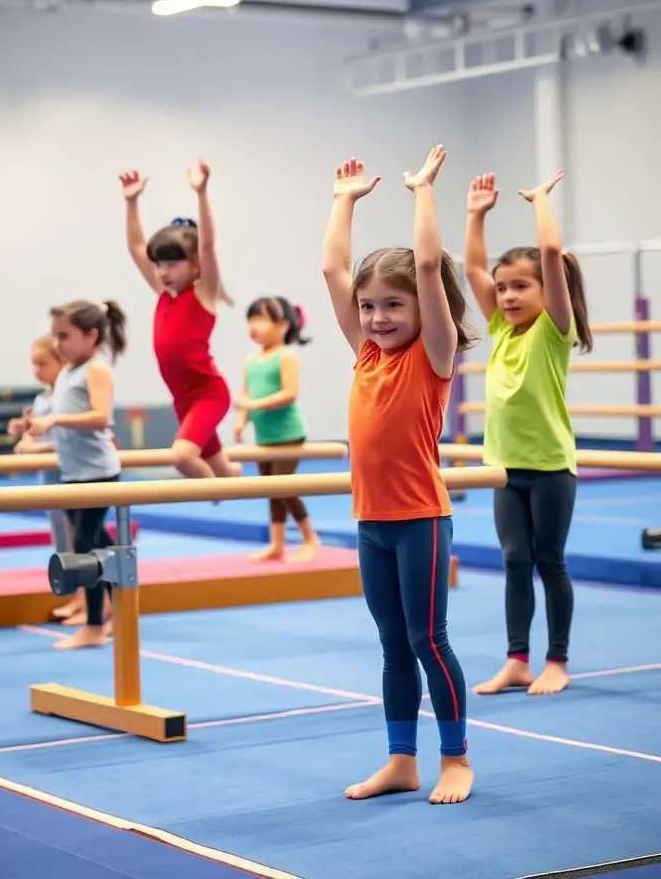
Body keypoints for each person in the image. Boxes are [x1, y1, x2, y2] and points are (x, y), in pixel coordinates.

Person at [322, 147, 475, 806]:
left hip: (420, 520)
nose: (378, 317)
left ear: (422, 309)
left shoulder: (431, 357)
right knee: (391, 644)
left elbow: (433, 265)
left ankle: (457, 759)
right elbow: (332, 266)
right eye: (369, 306)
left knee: (427, 639)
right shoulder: (364, 355)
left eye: (394, 305)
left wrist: (421, 193)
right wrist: (344, 200)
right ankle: (400, 760)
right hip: (372, 523)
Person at [463, 170, 592, 697]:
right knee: (515, 561)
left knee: (548, 561)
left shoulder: (552, 331)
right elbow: (471, 266)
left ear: (547, 289)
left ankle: (556, 658)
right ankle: (517, 658)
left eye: (521, 286)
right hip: (503, 468)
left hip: (550, 468)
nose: (508, 296)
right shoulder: (499, 328)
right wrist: (476, 213)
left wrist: (540, 201)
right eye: (503, 288)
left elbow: (552, 248)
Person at [120, 161, 241, 483]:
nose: (162, 272)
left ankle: (216, 494)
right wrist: (131, 203)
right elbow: (135, 248)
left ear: (195, 264)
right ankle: (229, 480)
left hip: (207, 393)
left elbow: (208, 244)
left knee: (183, 458)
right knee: (225, 470)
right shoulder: (164, 293)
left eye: (172, 264)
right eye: (159, 264)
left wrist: (202, 193)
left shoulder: (204, 294)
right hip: (182, 399)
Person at [28, 299, 126, 651]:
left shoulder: (96, 369)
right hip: (73, 473)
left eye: (65, 336)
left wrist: (53, 420)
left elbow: (101, 417)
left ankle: (95, 626)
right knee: (96, 544)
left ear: (91, 335)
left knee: (85, 546)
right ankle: (119, 611)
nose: (58, 345)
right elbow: (66, 431)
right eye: (55, 336)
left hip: (98, 472)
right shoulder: (69, 371)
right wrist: (37, 438)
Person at [234, 296, 321, 562]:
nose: (253, 326)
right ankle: (277, 544)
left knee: (284, 489)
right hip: (265, 437)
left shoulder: (286, 356)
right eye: (251, 319)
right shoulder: (250, 360)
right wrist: (240, 422)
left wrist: (254, 404)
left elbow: (289, 394)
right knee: (271, 491)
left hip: (288, 435)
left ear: (283, 326)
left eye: (260, 319)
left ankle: (310, 538)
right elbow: (245, 396)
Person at [7, 334, 85, 624]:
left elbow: (71, 437)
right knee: (61, 541)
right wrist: (23, 430)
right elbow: (37, 430)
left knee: (80, 540)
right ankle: (77, 596)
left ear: (62, 362)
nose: (36, 370)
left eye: (42, 363)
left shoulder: (69, 395)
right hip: (49, 476)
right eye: (33, 364)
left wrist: (35, 447)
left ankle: (86, 599)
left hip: (72, 473)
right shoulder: (42, 399)